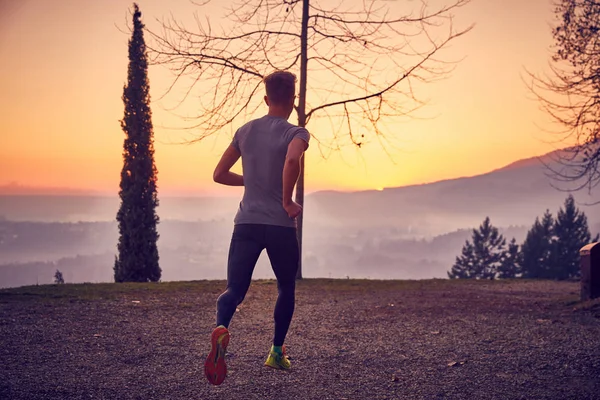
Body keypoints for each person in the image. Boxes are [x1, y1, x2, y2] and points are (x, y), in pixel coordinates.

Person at [204, 70, 310, 386]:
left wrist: (248, 180)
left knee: (234, 290)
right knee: (286, 287)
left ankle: (221, 328)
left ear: (266, 99)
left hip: (246, 223)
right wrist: (288, 200)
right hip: (280, 225)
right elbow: (292, 161)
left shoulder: (245, 131)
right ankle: (276, 352)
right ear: (292, 101)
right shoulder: (297, 132)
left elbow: (219, 173)